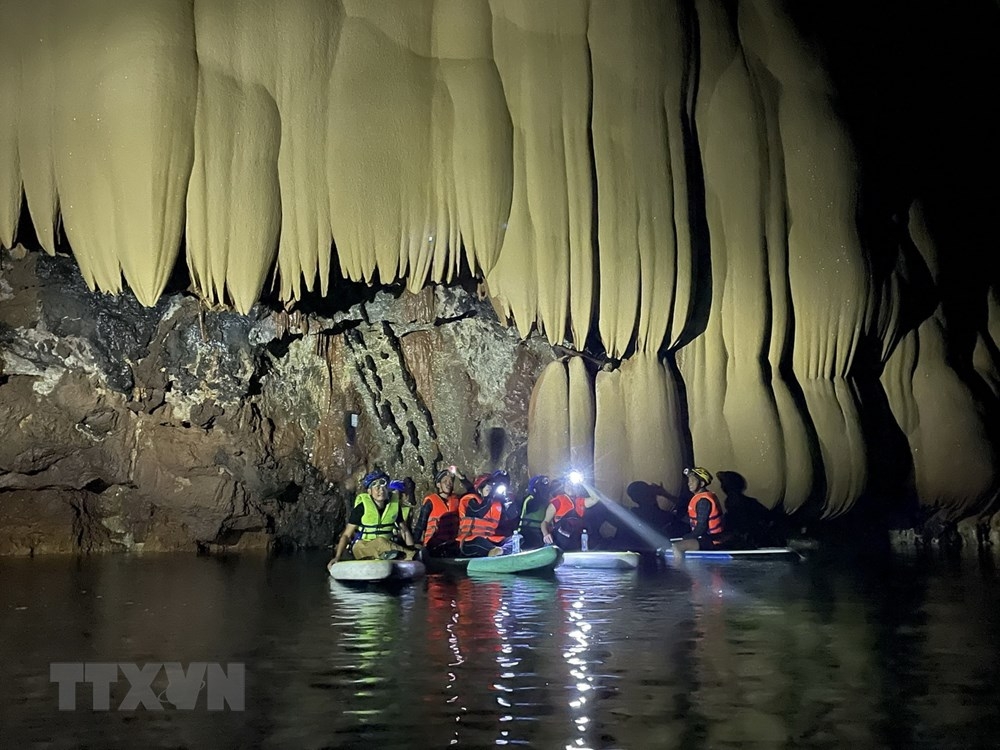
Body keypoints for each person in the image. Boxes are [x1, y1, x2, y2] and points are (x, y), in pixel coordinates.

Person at [330, 470, 416, 564]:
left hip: (387, 545)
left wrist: (412, 547)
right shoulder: (361, 508)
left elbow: (405, 531)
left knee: (384, 543)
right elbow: (346, 535)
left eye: (384, 486)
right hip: (363, 546)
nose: (381, 490)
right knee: (380, 542)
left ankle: (403, 555)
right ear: (369, 491)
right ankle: (410, 555)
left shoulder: (393, 506)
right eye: (377, 487)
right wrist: (337, 557)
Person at [671, 467, 724, 557]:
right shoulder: (700, 498)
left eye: (693, 480)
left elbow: (701, 527)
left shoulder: (703, 501)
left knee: (677, 547)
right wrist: (676, 515)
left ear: (702, 483)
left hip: (711, 540)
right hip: (706, 538)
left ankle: (679, 570)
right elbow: (693, 519)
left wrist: (687, 537)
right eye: (688, 480)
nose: (689, 483)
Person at [541, 472, 599, 551]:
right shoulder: (558, 501)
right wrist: (546, 534)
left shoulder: (580, 501)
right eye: (567, 484)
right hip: (559, 542)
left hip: (576, 542)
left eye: (572, 485)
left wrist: (583, 482)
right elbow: (545, 522)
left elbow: (595, 498)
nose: (570, 487)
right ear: (564, 486)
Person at [411, 467, 462, 556]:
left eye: (450, 481)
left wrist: (462, 477)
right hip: (433, 544)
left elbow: (471, 492)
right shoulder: (430, 502)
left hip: (452, 543)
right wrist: (415, 543)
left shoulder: (457, 500)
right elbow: (420, 525)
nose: (448, 483)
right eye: (445, 481)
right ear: (438, 485)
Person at [456, 473, 506, 557]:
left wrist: (508, 503)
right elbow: (478, 512)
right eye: (488, 490)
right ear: (480, 491)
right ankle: (496, 553)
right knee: (480, 542)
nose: (491, 492)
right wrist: (489, 497)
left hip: (488, 539)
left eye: (492, 489)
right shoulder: (472, 501)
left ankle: (500, 551)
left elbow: (509, 519)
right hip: (470, 541)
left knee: (517, 539)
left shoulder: (494, 504)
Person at [517, 475, 551, 549]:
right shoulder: (529, 499)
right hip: (528, 532)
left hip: (541, 532)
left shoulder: (548, 501)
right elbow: (530, 508)